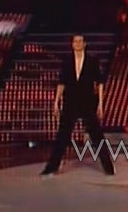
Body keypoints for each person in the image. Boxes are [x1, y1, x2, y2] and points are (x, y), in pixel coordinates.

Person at [40, 33, 114, 176]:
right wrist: (56, 102)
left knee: (97, 135)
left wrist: (100, 103)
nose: (78, 43)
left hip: (87, 102)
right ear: (72, 44)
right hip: (70, 102)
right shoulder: (67, 61)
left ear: (85, 44)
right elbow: (61, 82)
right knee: (62, 136)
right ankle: (52, 167)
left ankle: (108, 167)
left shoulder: (92, 61)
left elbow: (99, 83)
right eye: (75, 41)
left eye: (80, 41)